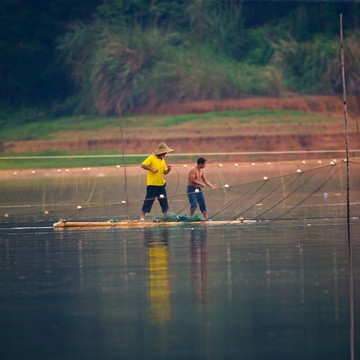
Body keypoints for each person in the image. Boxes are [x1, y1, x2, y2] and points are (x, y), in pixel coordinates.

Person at [140, 142, 174, 221]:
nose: (166, 153)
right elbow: (143, 165)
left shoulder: (162, 160)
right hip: (152, 184)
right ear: (161, 152)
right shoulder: (151, 158)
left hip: (161, 185)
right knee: (148, 201)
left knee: (164, 201)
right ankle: (142, 217)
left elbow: (165, 172)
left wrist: (168, 169)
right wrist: (152, 169)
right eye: (165, 152)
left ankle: (165, 217)